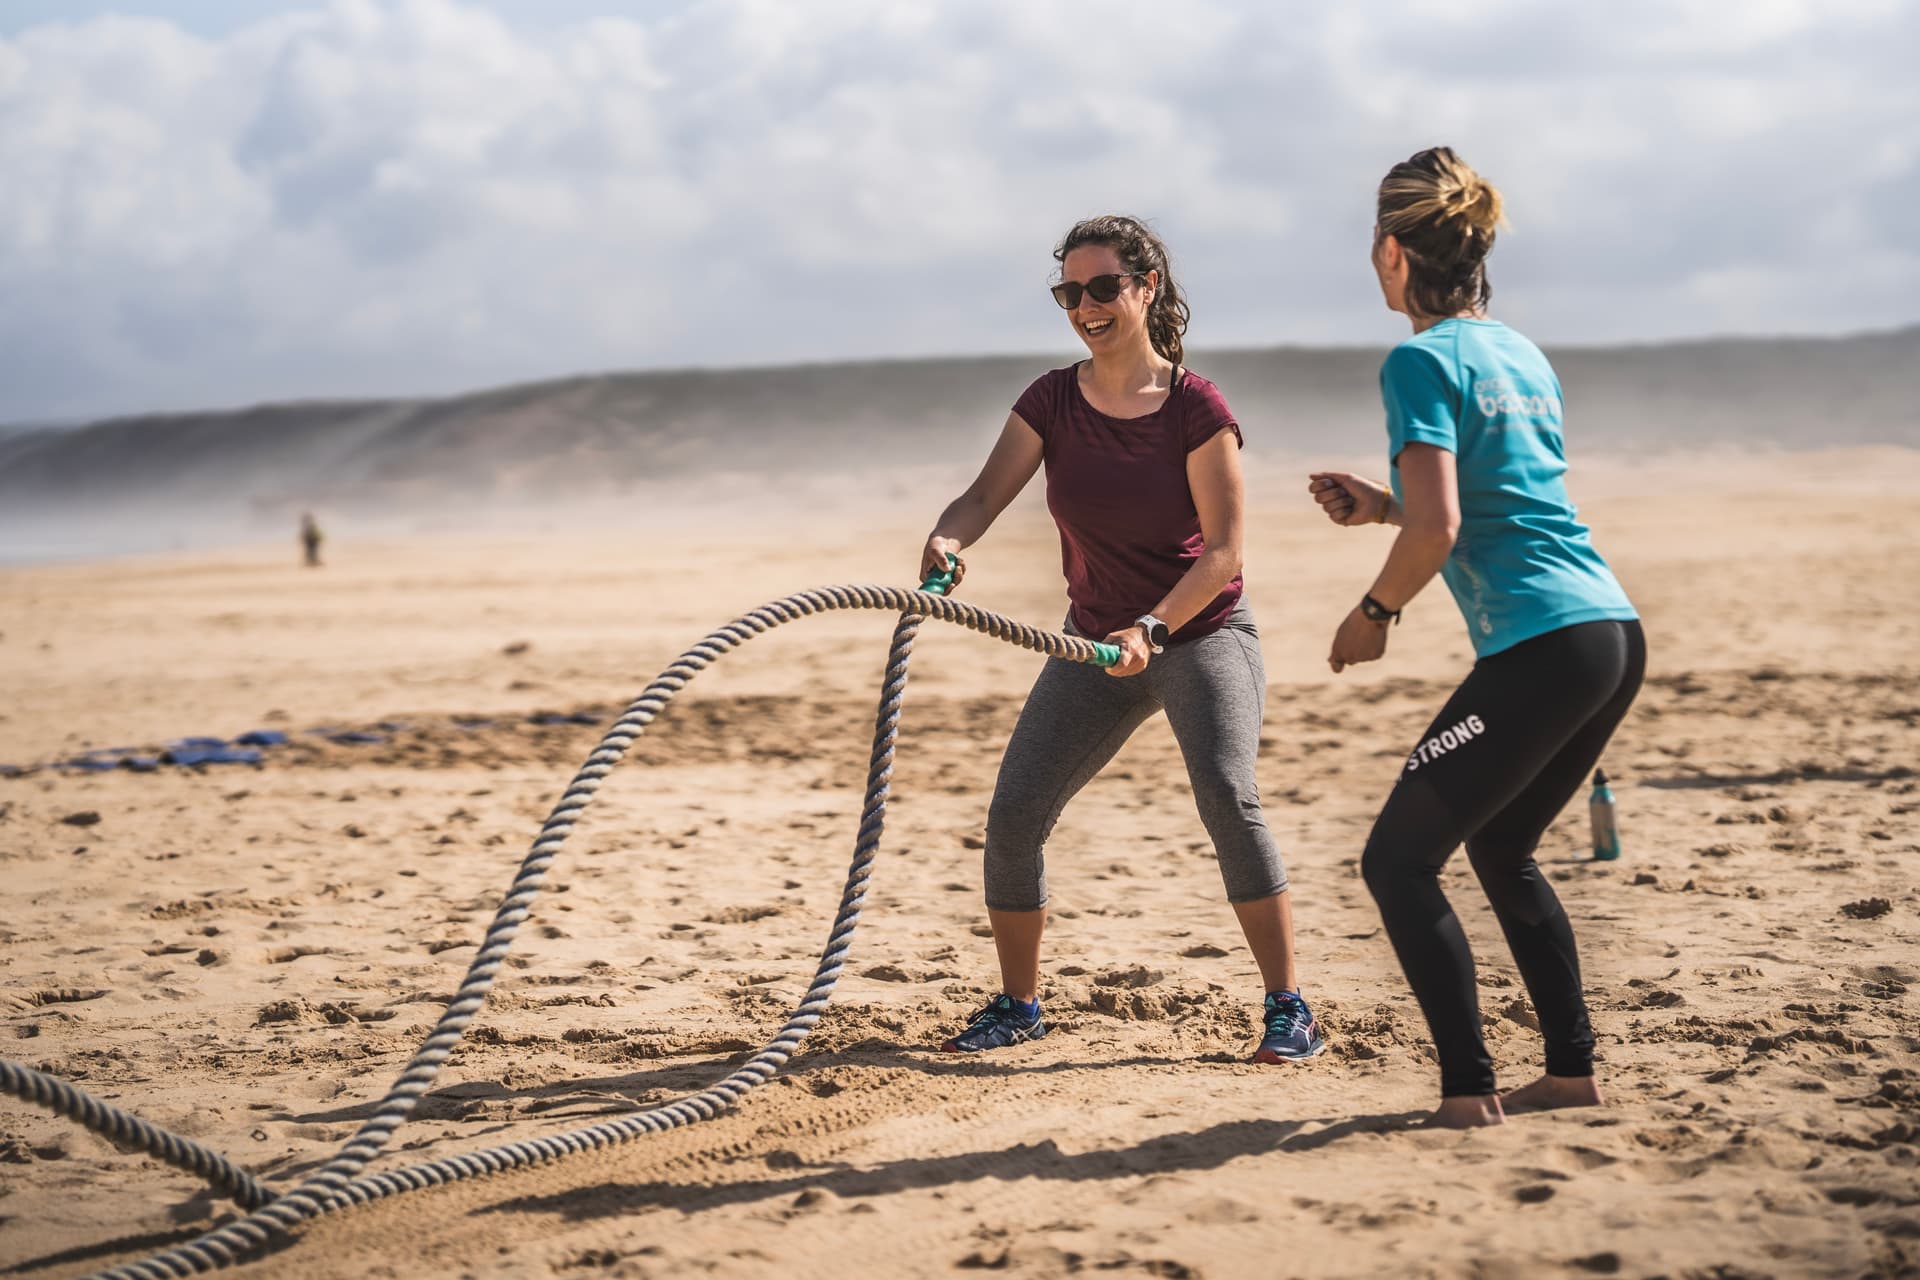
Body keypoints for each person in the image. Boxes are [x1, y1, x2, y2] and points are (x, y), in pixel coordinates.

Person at [922, 215, 1321, 1063]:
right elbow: (982, 497)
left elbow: (1224, 553)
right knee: (1015, 813)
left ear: (1146, 288)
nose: (1086, 306)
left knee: (1227, 796)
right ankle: (1018, 1007)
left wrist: (1152, 625)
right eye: (1070, 292)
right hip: (1092, 647)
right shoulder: (1050, 400)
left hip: (1202, 634)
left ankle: (1290, 1008)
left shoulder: (1195, 407)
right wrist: (948, 540)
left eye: (1103, 287)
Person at [1307, 147, 1645, 1127]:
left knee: (1397, 862)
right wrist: (1384, 506)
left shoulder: (1418, 360)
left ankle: (1467, 1092)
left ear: (1391, 251)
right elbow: (1501, 502)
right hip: (1609, 630)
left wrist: (1374, 613)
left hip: (1545, 646)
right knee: (1500, 845)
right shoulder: (1519, 354)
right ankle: (1570, 1073)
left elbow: (1443, 528)